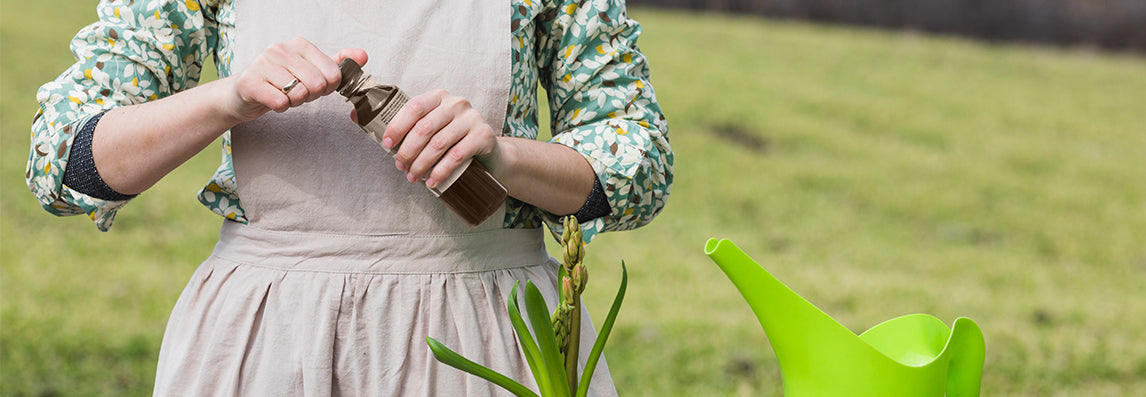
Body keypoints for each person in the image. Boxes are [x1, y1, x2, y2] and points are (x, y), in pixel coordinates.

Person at [27, 0, 672, 394]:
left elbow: (639, 164)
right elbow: (67, 161)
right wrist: (229, 98)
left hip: (489, 344)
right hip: (265, 348)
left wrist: (502, 155)